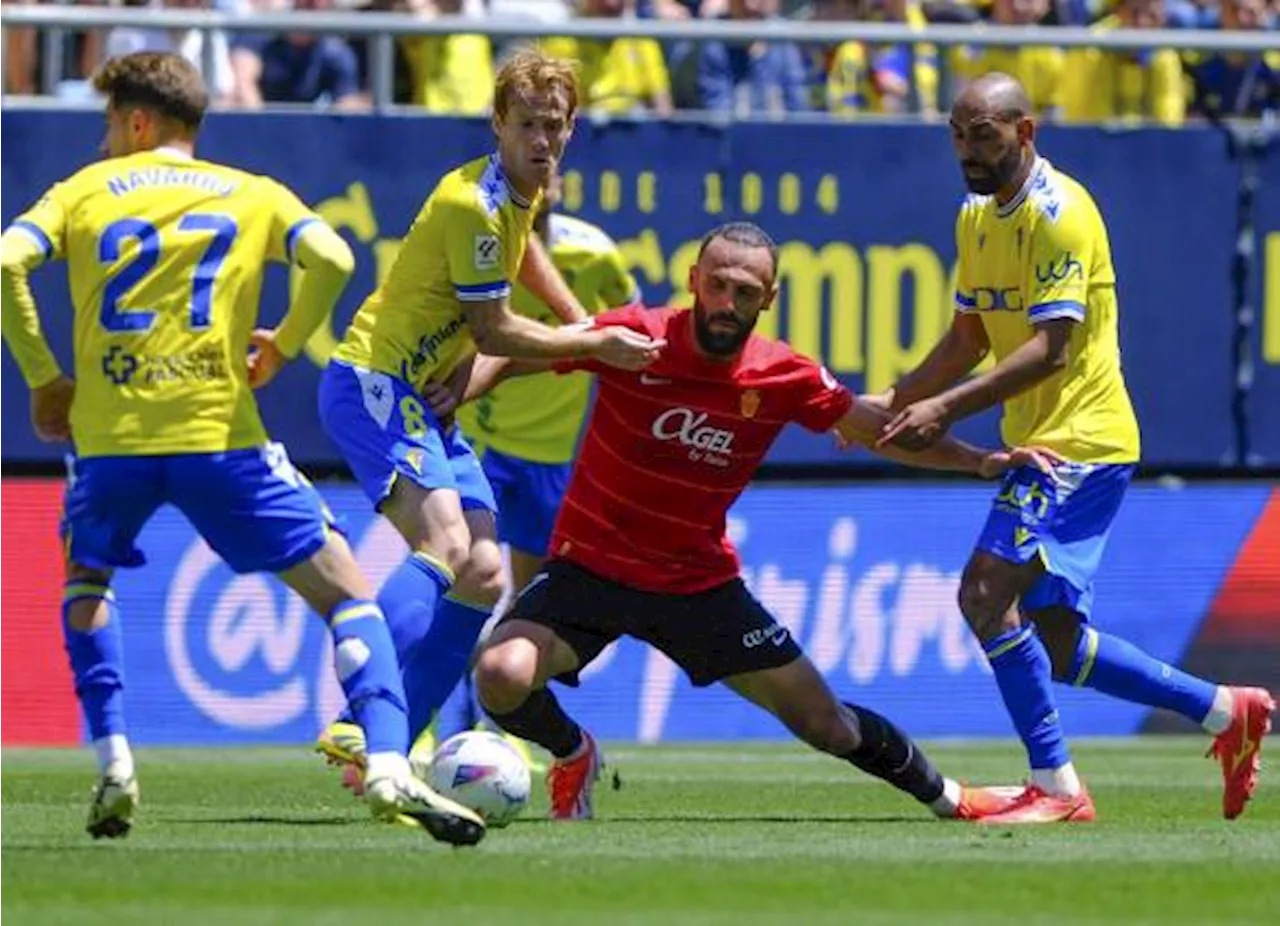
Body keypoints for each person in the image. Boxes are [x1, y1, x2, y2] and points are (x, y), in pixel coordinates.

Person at [0, 52, 484, 845]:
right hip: (221, 435)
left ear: (137, 120)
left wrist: (45, 379)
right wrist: (286, 343)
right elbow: (330, 256)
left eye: (108, 124)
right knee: (346, 594)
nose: (103, 140)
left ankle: (115, 758)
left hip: (111, 440)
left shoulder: (83, 191)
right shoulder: (250, 191)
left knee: (87, 579)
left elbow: (6, 260)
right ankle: (391, 763)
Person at [441, 221, 1048, 823]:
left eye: (747, 293)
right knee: (500, 674)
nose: (728, 304)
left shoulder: (785, 376)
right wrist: (452, 394)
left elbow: (877, 431)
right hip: (589, 570)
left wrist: (979, 462)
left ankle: (952, 798)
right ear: (693, 281)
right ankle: (574, 753)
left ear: (770, 298)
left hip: (695, 586)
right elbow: (518, 350)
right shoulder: (636, 336)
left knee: (827, 726)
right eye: (718, 286)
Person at [874, 71, 1274, 823]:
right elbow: (969, 336)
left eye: (984, 135)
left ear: (1025, 132)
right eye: (958, 135)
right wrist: (893, 403)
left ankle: (1056, 788)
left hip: (1080, 441)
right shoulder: (975, 216)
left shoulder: (1061, 214)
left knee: (985, 593)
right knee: (1058, 642)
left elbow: (1049, 350)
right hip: (1046, 442)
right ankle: (1226, 710)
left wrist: (944, 408)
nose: (968, 151)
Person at [313, 47, 664, 788]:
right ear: (496, 123)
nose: (543, 140)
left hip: (423, 399)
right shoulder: (473, 203)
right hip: (376, 382)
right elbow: (494, 330)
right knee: (443, 549)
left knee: (479, 572)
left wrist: (574, 315)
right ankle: (362, 714)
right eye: (528, 124)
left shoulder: (519, 194)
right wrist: (591, 339)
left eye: (556, 126)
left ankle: (389, 745)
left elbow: (526, 249)